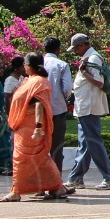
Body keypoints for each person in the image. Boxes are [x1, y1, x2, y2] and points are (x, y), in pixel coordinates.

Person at [0, 53, 70, 202]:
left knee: (21, 159)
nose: (24, 67)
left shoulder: (39, 82)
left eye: (25, 64)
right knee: (41, 159)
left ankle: (16, 191)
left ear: (30, 66)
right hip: (24, 125)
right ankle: (57, 187)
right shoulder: (31, 80)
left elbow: (39, 105)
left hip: (31, 128)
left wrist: (38, 126)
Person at [66, 33, 110, 190]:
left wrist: (84, 72)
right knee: (85, 144)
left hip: (89, 106)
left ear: (82, 45)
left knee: (93, 143)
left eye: (76, 48)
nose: (75, 52)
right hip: (84, 107)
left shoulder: (93, 58)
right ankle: (76, 178)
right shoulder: (89, 57)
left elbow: (99, 81)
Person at [42, 37, 74, 174]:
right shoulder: (62, 65)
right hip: (57, 110)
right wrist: (64, 98)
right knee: (56, 148)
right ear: (58, 50)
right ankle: (55, 183)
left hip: (40, 111)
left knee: (40, 148)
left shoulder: (37, 64)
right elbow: (67, 88)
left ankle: (40, 185)